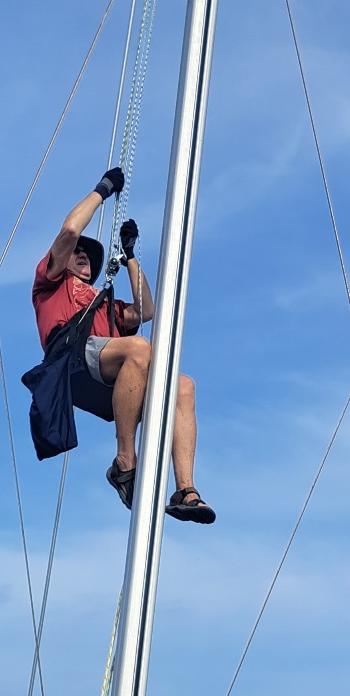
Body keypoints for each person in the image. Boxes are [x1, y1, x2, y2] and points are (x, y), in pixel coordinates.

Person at [31, 165, 215, 524]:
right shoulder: (50, 283)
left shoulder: (105, 303)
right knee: (140, 347)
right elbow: (70, 231)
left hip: (112, 380)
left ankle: (185, 490)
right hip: (71, 361)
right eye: (77, 254)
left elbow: (146, 310)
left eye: (88, 256)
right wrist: (102, 190)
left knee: (183, 387)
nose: (83, 256)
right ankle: (125, 462)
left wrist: (130, 258)